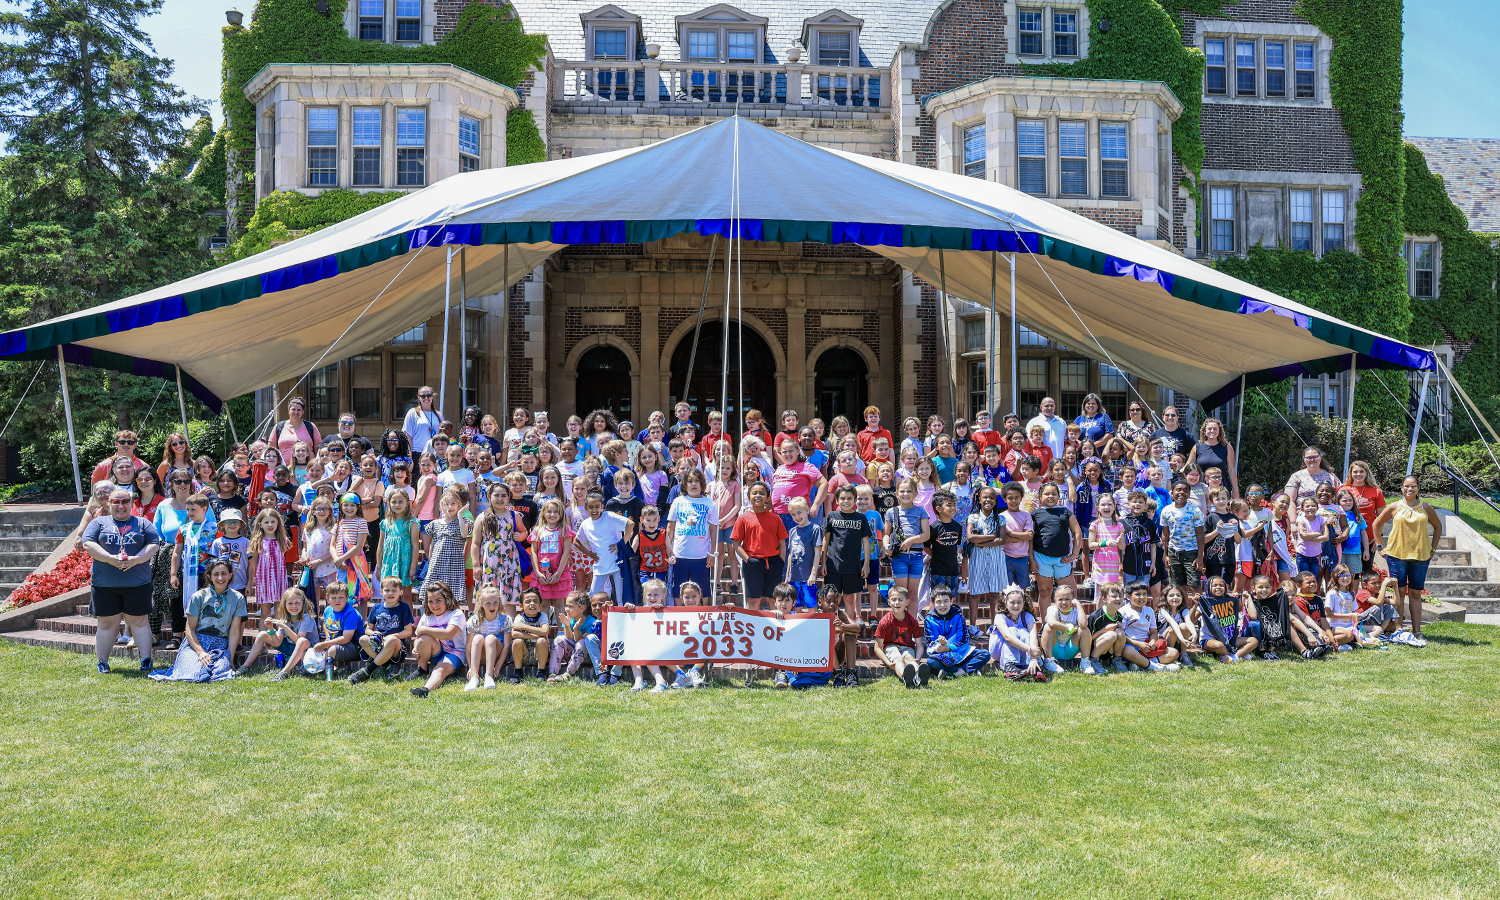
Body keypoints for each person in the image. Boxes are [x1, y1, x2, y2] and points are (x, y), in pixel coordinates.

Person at [81, 487, 162, 674]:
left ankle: (146, 661)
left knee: (140, 622)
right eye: (116, 501)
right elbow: (88, 543)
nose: (120, 505)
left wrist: (136, 560)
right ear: (109, 503)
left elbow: (153, 544)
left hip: (137, 583)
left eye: (124, 501)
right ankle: (103, 662)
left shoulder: (142, 523)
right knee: (107, 623)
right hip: (105, 584)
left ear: (131, 503)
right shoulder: (98, 522)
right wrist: (109, 558)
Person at [148, 558, 246, 683]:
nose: (220, 578)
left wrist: (231, 660)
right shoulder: (198, 596)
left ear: (230, 575)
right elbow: (189, 630)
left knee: (219, 672)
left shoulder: (238, 598)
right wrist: (200, 652)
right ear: (209, 576)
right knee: (192, 672)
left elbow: (234, 631)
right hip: (195, 643)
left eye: (224, 573)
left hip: (220, 645)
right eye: (216, 574)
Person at [1369, 475, 1441, 640]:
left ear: (1418, 488)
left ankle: (1417, 631)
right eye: (1406, 486)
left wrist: (1433, 549)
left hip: (1420, 556)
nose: (1410, 489)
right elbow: (1376, 524)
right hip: (1396, 556)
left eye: (1413, 486)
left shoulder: (1426, 507)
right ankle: (1399, 630)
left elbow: (1438, 527)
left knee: (1415, 593)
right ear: (1401, 488)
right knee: (1399, 592)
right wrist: (1380, 547)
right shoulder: (1394, 506)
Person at [236, 586, 320, 679]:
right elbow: (278, 643)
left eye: (297, 603)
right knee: (262, 634)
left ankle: (284, 673)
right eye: (290, 603)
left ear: (303, 603)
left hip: (307, 649)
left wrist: (284, 626)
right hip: (290, 646)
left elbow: (298, 640)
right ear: (284, 605)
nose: (293, 606)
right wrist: (271, 629)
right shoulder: (284, 618)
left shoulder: (306, 618)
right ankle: (245, 666)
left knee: (301, 641)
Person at [731, 481, 787, 613]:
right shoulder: (743, 518)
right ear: (749, 497)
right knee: (753, 599)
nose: (758, 496)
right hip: (752, 562)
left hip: (773, 562)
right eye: (754, 493)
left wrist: (780, 562)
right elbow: (736, 544)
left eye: (762, 493)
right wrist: (748, 560)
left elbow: (782, 544)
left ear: (768, 497)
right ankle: (753, 628)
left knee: (773, 598)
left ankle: (776, 628)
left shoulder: (775, 518)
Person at [349, 576, 416, 683]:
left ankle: (367, 671)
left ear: (401, 592)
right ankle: (388, 666)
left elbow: (408, 632)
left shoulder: (404, 608)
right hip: (378, 645)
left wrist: (392, 636)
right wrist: (374, 632)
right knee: (362, 639)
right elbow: (367, 630)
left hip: (396, 649)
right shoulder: (376, 607)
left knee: (391, 640)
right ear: (381, 592)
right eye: (387, 590)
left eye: (394, 591)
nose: (390, 593)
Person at [575, 489, 635, 605]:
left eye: (597, 506)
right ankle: (594, 620)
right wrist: (589, 554)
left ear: (602, 506)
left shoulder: (609, 516)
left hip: (617, 563)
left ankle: (622, 619)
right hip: (600, 565)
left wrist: (621, 544)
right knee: (593, 596)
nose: (594, 510)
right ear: (586, 508)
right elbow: (577, 542)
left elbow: (630, 524)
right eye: (591, 507)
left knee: (620, 595)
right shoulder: (586, 524)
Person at [1030, 481, 1081, 618]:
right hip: (1041, 557)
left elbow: (1077, 532)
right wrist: (1031, 558)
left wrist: (1074, 554)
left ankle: (1069, 621)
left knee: (1070, 592)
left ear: (1059, 496)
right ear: (1040, 496)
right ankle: (1046, 624)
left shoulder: (1065, 512)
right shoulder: (1036, 514)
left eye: (1054, 494)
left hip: (1062, 559)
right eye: (1047, 494)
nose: (1050, 496)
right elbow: (1030, 537)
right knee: (1045, 591)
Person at [409, 581, 467, 697]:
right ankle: (422, 669)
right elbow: (418, 637)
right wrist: (416, 647)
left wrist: (424, 629)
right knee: (424, 638)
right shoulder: (427, 615)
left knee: (440, 669)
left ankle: (425, 689)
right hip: (437, 651)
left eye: (438, 600)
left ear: (447, 599)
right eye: (430, 601)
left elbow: (447, 634)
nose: (434, 605)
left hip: (455, 653)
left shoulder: (456, 614)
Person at [924, 584, 989, 678]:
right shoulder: (929, 620)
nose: (942, 605)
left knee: (984, 654)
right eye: (938, 602)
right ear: (933, 603)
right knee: (931, 662)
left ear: (951, 601)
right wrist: (939, 645)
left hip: (960, 653)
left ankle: (954, 673)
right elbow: (930, 643)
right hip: (943, 656)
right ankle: (964, 670)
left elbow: (963, 640)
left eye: (946, 601)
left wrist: (948, 647)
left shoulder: (958, 617)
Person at [873, 584, 928, 687]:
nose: (897, 603)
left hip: (907, 647)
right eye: (894, 600)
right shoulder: (885, 621)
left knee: (910, 659)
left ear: (907, 602)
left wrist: (918, 658)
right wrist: (888, 663)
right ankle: (907, 678)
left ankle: (919, 678)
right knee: (899, 659)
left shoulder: (912, 621)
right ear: (889, 602)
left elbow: (919, 644)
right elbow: (877, 647)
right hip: (890, 647)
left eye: (900, 600)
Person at [1120, 582, 1179, 672]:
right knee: (1127, 651)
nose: (1142, 597)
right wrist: (1138, 644)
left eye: (1144, 594)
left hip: (1148, 647)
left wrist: (1152, 641)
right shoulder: (1123, 611)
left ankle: (1141, 664)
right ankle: (1156, 667)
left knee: (1174, 653)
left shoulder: (1149, 610)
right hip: (1132, 646)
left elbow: (1153, 632)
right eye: (1138, 594)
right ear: (1128, 597)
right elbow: (1121, 636)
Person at [1040, 584, 1098, 675]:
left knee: (1085, 630)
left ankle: (1085, 662)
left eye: (1067, 599)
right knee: (1048, 627)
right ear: (1055, 600)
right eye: (1060, 599)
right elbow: (1052, 622)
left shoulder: (1075, 611)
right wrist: (1070, 628)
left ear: (1073, 600)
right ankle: (1048, 661)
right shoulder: (1052, 609)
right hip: (1055, 648)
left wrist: (1078, 605)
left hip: (1070, 649)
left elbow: (1083, 624)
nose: (1064, 602)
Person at [1159, 481, 1206, 588]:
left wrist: (1200, 557)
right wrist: (1165, 555)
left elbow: (1200, 535)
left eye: (1185, 491)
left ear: (1189, 494)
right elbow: (1165, 535)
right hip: (1174, 552)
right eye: (1178, 490)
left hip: (1191, 553)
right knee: (1177, 587)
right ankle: (1182, 605)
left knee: (1194, 585)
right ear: (1172, 492)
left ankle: (1197, 605)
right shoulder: (1166, 510)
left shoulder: (1195, 511)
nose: (1182, 493)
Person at [990, 587, 1043, 682]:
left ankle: (1033, 665)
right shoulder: (1000, 616)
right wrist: (1030, 650)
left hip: (1023, 651)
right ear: (1005, 603)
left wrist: (1034, 658)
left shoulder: (1027, 616)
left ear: (1023, 603)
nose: (1016, 605)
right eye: (1012, 602)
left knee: (1024, 632)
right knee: (1013, 630)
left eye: (1019, 602)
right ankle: (1010, 667)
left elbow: (1033, 636)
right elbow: (1007, 637)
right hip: (999, 650)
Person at [783, 497, 821, 609]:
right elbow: (790, 554)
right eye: (793, 514)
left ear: (807, 510)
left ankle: (813, 627)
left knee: (811, 605)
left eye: (799, 513)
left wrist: (813, 574)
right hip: (794, 577)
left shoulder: (815, 529)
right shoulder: (792, 531)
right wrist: (787, 576)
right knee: (796, 606)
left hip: (808, 578)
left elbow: (817, 554)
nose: (797, 517)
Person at [1186, 417, 1237, 498]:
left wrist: (1236, 490)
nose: (1212, 431)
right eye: (1209, 429)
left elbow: (1231, 470)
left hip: (1221, 484)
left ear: (1219, 431)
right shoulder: (1197, 447)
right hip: (1201, 485)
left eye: (1215, 429)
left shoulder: (1227, 447)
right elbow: (1188, 468)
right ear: (1204, 431)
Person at [1345, 460, 1387, 531]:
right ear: (1351, 473)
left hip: (1370, 535)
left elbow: (1381, 517)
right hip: (1348, 537)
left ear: (1366, 473)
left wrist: (1379, 534)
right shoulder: (1344, 490)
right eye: (1355, 472)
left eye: (1361, 471)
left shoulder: (1376, 491)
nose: (1358, 474)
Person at [402, 386, 442, 455]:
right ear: (419, 398)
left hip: (435, 454)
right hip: (417, 453)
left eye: (428, 395)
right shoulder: (412, 413)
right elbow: (408, 436)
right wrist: (409, 456)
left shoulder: (439, 415)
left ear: (432, 396)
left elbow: (442, 435)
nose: (426, 398)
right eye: (423, 396)